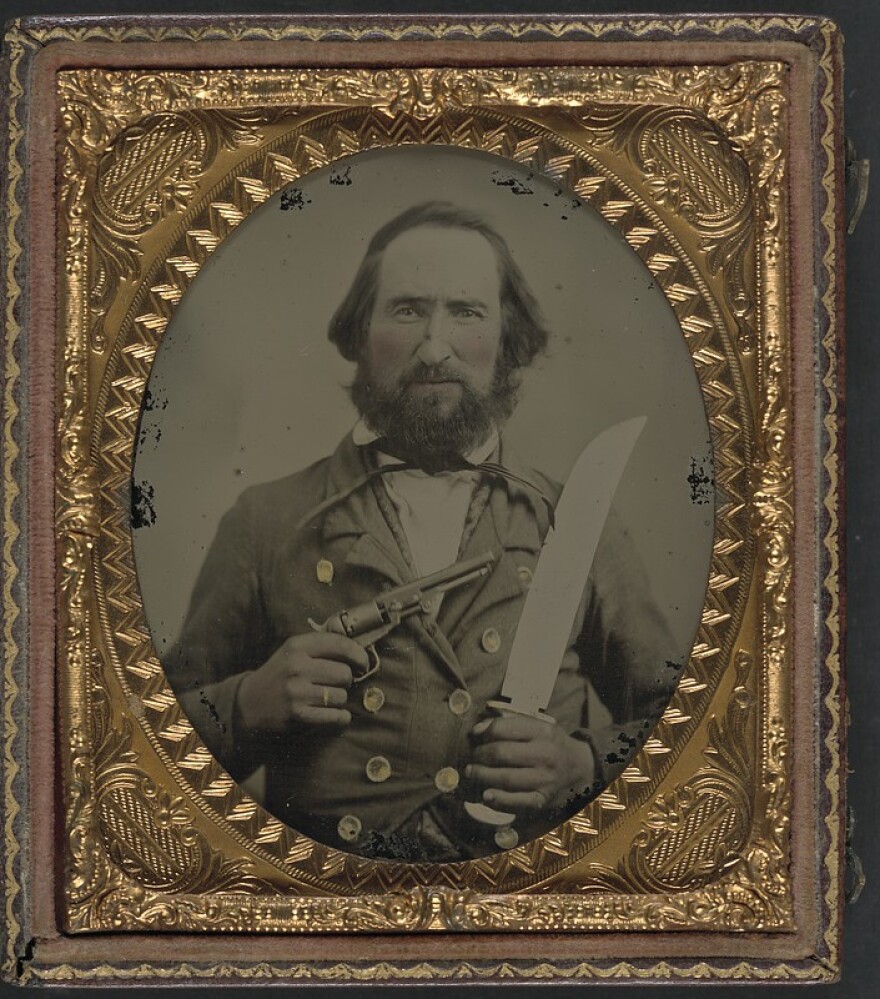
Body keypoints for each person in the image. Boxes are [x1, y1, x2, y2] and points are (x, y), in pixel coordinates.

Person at [163, 201, 679, 861]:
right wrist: (244, 704)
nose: (434, 348)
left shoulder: (577, 522)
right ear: (359, 334)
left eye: (466, 312)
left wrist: (583, 763)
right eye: (406, 310)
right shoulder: (265, 521)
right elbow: (150, 751)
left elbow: (689, 726)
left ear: (509, 339)